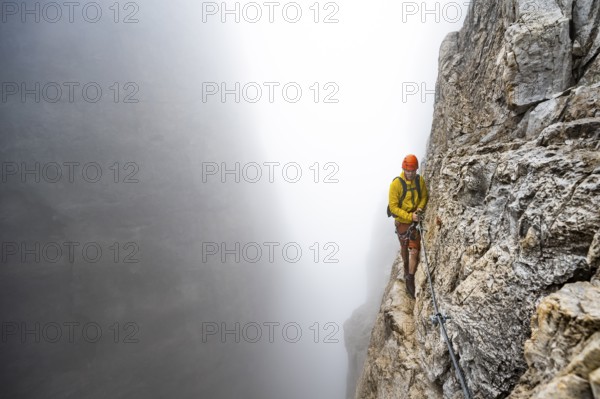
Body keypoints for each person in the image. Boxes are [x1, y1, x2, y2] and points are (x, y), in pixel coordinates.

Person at [388, 154, 428, 299]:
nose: (410, 173)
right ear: (403, 169)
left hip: (414, 220)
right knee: (404, 249)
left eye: (413, 171)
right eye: (408, 170)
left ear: (416, 170)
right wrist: (410, 216)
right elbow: (393, 208)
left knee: (413, 250)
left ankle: (410, 277)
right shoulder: (396, 185)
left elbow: (424, 196)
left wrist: (419, 209)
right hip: (403, 221)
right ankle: (406, 268)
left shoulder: (419, 181)